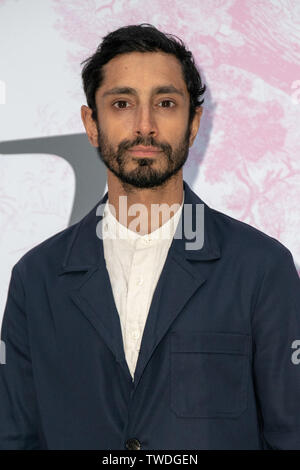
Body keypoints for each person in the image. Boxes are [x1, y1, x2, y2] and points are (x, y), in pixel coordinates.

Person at [1, 23, 300, 451]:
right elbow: (15, 435)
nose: (145, 126)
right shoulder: (36, 278)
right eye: (122, 103)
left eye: (165, 102)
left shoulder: (261, 267)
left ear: (193, 123)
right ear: (91, 123)